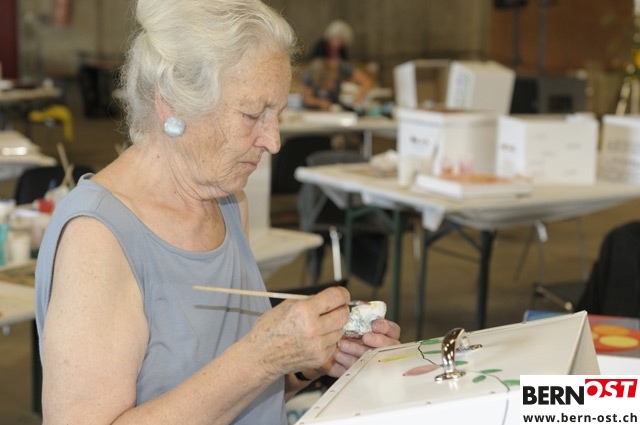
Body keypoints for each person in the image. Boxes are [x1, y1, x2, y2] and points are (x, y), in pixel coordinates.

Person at [34, 0, 401, 424]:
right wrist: (261, 357)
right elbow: (240, 372)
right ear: (171, 103)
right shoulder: (97, 240)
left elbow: (226, 396)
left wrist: (307, 359)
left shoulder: (227, 203)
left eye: (278, 114)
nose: (273, 141)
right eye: (252, 114)